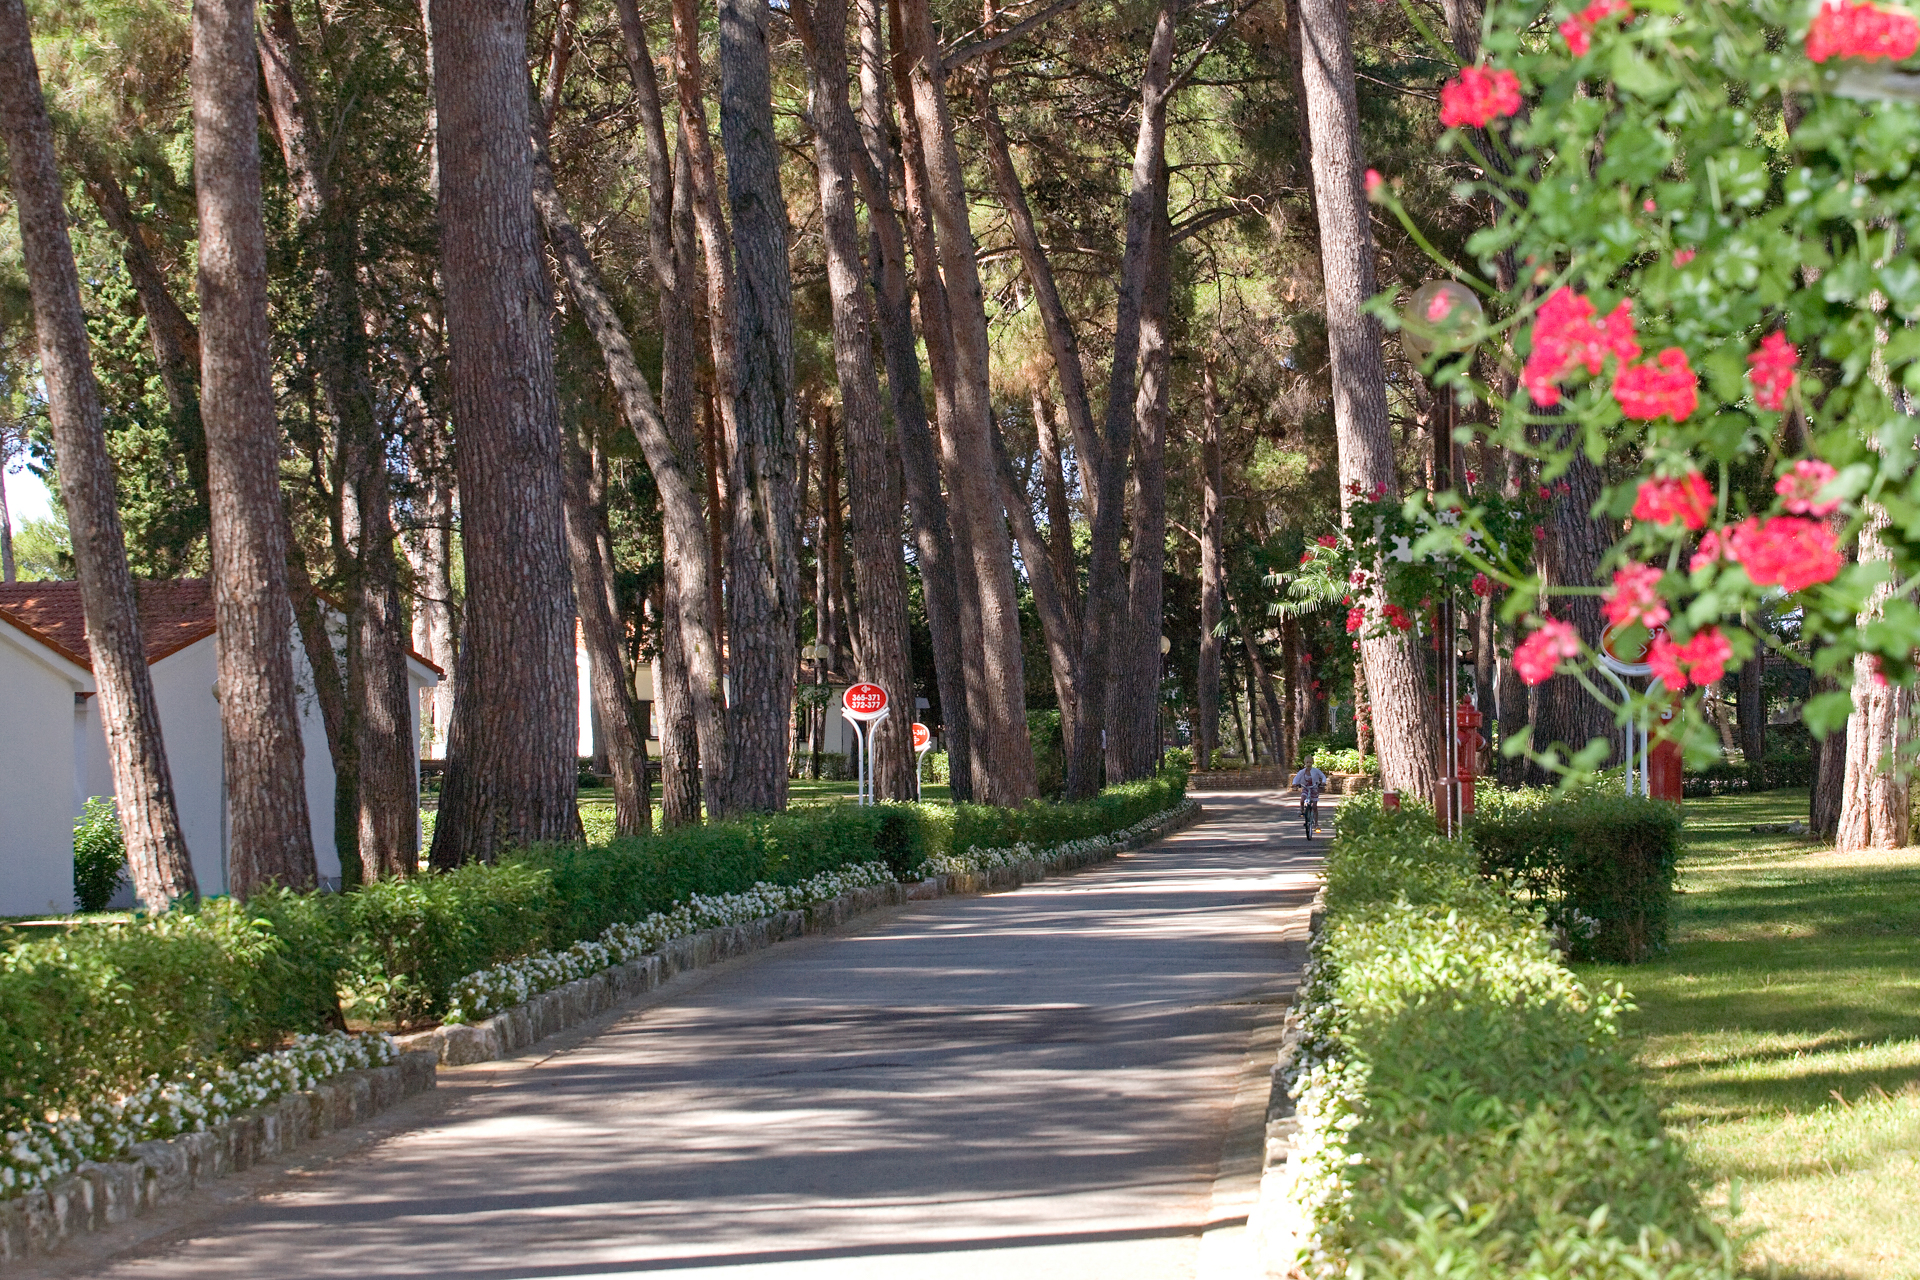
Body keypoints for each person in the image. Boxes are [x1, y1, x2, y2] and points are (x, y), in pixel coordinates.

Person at [1291, 757, 1328, 838]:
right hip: (1306, 788)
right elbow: (1296, 778)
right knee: (1302, 800)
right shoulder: (1302, 772)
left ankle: (1316, 823)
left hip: (1314, 788)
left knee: (1314, 806)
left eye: (1310, 762)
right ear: (1305, 763)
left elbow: (1323, 776)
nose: (1308, 764)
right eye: (1307, 762)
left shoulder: (1316, 771)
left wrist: (1323, 782)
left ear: (1312, 763)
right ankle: (1302, 810)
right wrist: (1294, 784)